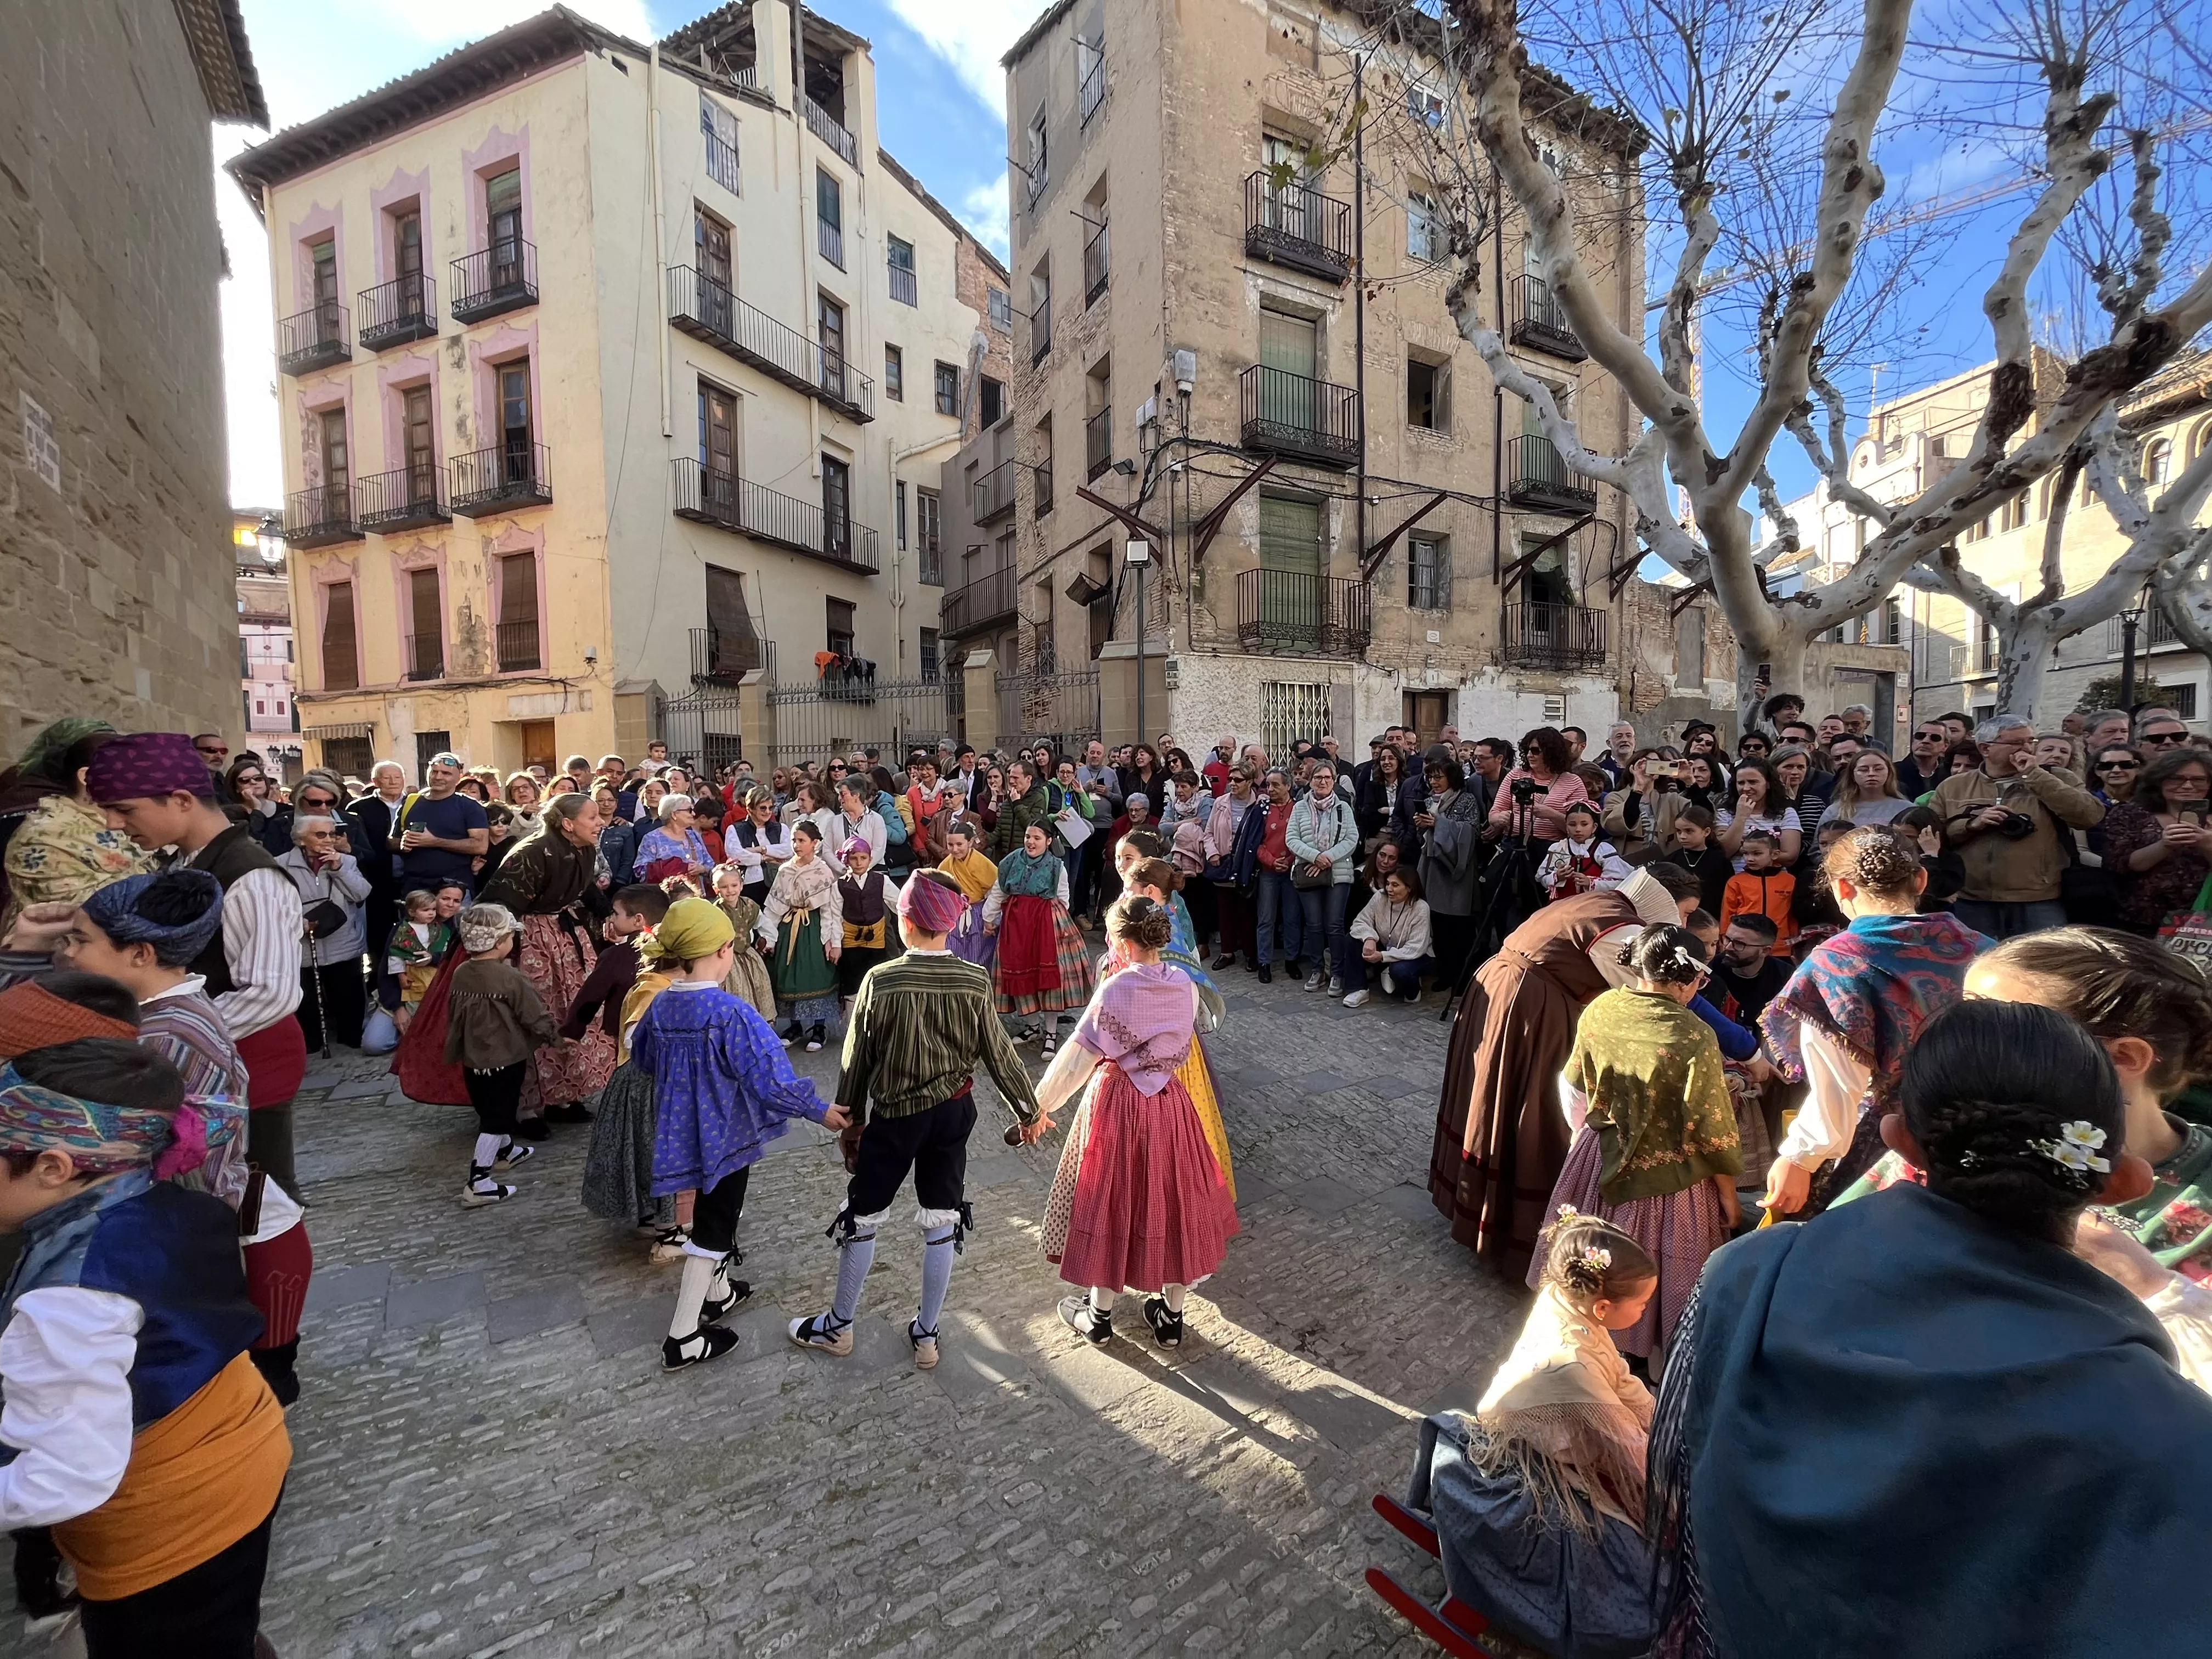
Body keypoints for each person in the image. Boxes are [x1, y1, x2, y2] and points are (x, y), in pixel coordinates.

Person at [1647, 998, 2212, 1658]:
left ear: (1901, 1140)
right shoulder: (2170, 1427)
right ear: (2124, 1182)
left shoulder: (1749, 1274)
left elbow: (1684, 1481)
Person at [0, 1054, 291, 1657]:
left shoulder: (68, 1300)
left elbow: (67, 1477)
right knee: (220, 1625)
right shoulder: (170, 1202)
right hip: (244, 1440)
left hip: (172, 1523)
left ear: (53, 1167)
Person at [788, 873, 1045, 1369]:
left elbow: (856, 1059)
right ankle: (927, 1334)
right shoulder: (974, 979)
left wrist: (851, 1120)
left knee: (864, 1215)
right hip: (953, 1115)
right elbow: (999, 1053)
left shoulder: (880, 980)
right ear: (949, 923)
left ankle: (839, 1326)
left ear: (904, 921)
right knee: (942, 1216)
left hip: (895, 1118)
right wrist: (1029, 1111)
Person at [1405, 1211, 1660, 1658]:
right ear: (1603, 1308)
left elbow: (1622, 1379)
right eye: (1641, 1304)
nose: (1645, 1312)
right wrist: (1671, 1502)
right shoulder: (1575, 1369)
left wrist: (1661, 1421)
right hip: (1527, 1468)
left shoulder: (1564, 1299)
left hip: (1529, 1436)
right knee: (1636, 1580)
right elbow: (1628, 1453)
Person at [1431, 864, 1706, 1278]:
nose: (1683, 924)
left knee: (1496, 1099)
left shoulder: (1603, 902)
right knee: (1536, 1112)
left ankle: (1482, 1210)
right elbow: (1660, 999)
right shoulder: (1620, 927)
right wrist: (1745, 1049)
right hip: (1530, 1008)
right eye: (1683, 913)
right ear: (1664, 901)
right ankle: (1515, 1230)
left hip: (1505, 990)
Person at [626, 899, 850, 1370]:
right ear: (724, 951)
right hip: (724, 1138)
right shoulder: (731, 1013)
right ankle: (683, 1336)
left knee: (712, 1213)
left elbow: (642, 1057)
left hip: (679, 1132)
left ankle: (719, 1292)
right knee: (713, 1226)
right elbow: (770, 1081)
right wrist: (818, 1110)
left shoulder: (661, 1004)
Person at [86, 734, 308, 1197]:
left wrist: (171, 1033)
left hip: (247, 1058)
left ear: (182, 800)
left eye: (124, 809)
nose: (113, 823)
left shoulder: (253, 876)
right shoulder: (187, 862)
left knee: (254, 1198)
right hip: (197, 1055)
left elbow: (271, 992)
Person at [1031, 896, 1240, 1348]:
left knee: (1110, 1197)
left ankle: (1098, 1316)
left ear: (1123, 942)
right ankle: (1170, 1318)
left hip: (1119, 1103)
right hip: (1170, 1104)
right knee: (1176, 1199)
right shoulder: (1185, 985)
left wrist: (1041, 1105)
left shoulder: (1117, 989)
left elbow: (1077, 1059)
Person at [1536, 926, 1741, 1365]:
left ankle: (1589, 1342)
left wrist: (1581, 1140)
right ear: (1687, 980)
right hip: (1671, 1181)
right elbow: (1712, 1129)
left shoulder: (1602, 1008)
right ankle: (1649, 1361)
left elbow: (1573, 1085)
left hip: (1598, 1151)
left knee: (1596, 1255)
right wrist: (1729, 1196)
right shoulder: (1694, 1035)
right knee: (1659, 1269)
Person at [1759, 828, 1989, 1217]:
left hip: (1891, 1145)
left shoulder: (1837, 963)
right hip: (1985, 1137)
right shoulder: (1982, 948)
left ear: (1842, 888)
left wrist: (1799, 1158)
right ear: (1921, 879)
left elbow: (1840, 1085)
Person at [469, 794, 614, 1128]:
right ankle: (527, 1108)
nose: (600, 823)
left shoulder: (585, 848)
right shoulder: (531, 853)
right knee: (535, 1014)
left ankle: (563, 1096)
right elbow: (498, 905)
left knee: (571, 1010)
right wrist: (501, 954)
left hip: (564, 936)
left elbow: (586, 888)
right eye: (592, 817)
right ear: (568, 824)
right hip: (529, 939)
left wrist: (608, 914)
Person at [1930, 713, 2104, 940]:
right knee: (1978, 960)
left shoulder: (2058, 778)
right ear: (1985, 748)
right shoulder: (1953, 786)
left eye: (2031, 741)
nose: (2027, 749)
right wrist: (1971, 825)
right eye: (2017, 743)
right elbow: (1932, 835)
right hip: (1972, 899)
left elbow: (2090, 816)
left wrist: (2035, 775)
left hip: (2039, 898)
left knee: (2040, 960)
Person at [441, 904, 553, 1206]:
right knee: (497, 1118)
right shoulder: (509, 977)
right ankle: (479, 1183)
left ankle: (507, 1152)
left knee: (490, 1106)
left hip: (473, 1058)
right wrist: (554, 1036)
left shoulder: (461, 972)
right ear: (501, 941)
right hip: (504, 1058)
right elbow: (534, 1014)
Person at [1, 724, 148, 933]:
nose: (143, 782)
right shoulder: (43, 836)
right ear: (86, 777)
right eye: (130, 773)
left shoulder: (128, 819)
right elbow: (90, 911)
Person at [984, 819, 1094, 1054]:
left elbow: (1064, 898)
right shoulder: (1011, 861)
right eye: (1028, 837)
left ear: (1049, 841)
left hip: (1046, 925)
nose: (1031, 842)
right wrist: (989, 918)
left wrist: (1058, 925)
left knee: (1048, 979)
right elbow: (999, 891)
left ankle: (1051, 1033)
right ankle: (1033, 1026)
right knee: (1019, 973)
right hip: (1016, 925)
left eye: (1037, 838)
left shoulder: (1056, 866)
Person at [276, 812, 371, 1050]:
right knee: (307, 1001)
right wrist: (296, 922)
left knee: (349, 996)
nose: (329, 840)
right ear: (301, 839)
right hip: (303, 945)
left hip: (343, 942)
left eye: (332, 834)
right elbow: (274, 905)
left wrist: (339, 869)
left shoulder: (346, 861)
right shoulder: (280, 865)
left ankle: (350, 1037)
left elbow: (361, 893)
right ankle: (312, 1042)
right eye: (320, 835)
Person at [2101, 746, 2212, 935]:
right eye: (2176, 778)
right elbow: (2121, 865)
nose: (2187, 786)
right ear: (2159, 781)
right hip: (2144, 921)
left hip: (2205, 921)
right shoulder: (2130, 814)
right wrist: (2164, 845)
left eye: (2198, 779)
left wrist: (2207, 844)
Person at [758, 819, 843, 1052]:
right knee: (788, 975)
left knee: (816, 975)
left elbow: (830, 910)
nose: (796, 845)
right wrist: (770, 938)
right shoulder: (785, 870)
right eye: (794, 840)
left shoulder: (822, 871)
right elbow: (774, 908)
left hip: (813, 928)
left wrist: (832, 941)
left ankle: (819, 1028)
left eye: (802, 841)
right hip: (789, 927)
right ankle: (794, 1026)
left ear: (815, 843)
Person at [1286, 760, 1359, 995]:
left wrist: (1326, 858)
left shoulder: (1343, 808)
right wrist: (1315, 857)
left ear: (1334, 780)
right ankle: (1317, 970)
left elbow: (1351, 840)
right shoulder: (1299, 807)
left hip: (1338, 874)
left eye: (1328, 778)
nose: (1323, 782)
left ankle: (1337, 973)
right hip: (1308, 872)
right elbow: (1292, 838)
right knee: (1314, 925)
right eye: (1318, 778)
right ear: (1310, 781)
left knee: (1335, 925)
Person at [1418, 753, 1486, 991]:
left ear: (1452, 778)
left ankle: (1463, 976)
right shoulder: (1429, 801)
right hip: (1435, 867)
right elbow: (1422, 836)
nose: (1434, 782)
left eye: (1439, 777)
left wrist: (1439, 824)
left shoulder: (1466, 800)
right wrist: (1423, 826)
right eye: (1431, 778)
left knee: (1460, 926)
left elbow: (1472, 832)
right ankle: (1445, 974)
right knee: (1438, 924)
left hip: (1459, 869)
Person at [396, 752, 490, 899]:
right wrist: (403, 843)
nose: (438, 777)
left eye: (446, 773)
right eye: (435, 772)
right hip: (415, 888)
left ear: (459, 777)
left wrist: (434, 841)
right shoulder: (411, 802)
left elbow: (480, 846)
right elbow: (391, 841)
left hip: (454, 888)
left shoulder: (470, 806)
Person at [1345, 866, 1434, 1008]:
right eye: (1387, 884)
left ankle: (1413, 990)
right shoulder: (1380, 897)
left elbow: (1416, 948)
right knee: (1352, 939)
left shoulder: (1421, 908)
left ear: (1409, 888)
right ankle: (1358, 989)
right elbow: (1361, 921)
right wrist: (1369, 938)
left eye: (1395, 885)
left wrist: (1382, 956)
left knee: (1400, 971)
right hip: (1387, 946)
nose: (1389, 889)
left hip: (1417, 955)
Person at [1488, 729, 1588, 844]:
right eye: (1527, 750)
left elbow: (1581, 827)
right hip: (1515, 844)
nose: (1529, 755)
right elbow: (1494, 813)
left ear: (1552, 752)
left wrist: (1552, 815)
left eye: (1535, 751)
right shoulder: (1516, 775)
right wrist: (1500, 818)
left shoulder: (1573, 782)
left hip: (1552, 847)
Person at [834, 838, 900, 1007]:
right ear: (846, 860)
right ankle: (851, 1019)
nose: (859, 863)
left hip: (876, 938)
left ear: (870, 859)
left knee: (876, 978)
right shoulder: (839, 885)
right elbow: (834, 916)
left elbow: (899, 903)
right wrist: (835, 944)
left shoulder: (881, 881)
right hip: (850, 939)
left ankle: (876, 1017)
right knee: (852, 984)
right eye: (854, 858)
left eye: (863, 858)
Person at [709, 865, 775, 1018]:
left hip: (748, 955)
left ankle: (757, 1023)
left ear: (741, 885)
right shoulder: (715, 911)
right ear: (716, 889)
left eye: (734, 885)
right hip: (725, 958)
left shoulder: (750, 906)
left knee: (758, 987)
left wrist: (767, 941)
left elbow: (764, 924)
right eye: (724, 887)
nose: (730, 890)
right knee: (735, 992)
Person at [934, 817, 999, 970]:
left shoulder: (982, 862)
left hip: (979, 914)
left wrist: (992, 917)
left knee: (979, 958)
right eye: (951, 845)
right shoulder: (945, 866)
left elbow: (997, 890)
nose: (955, 849)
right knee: (952, 955)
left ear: (970, 842)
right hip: (953, 915)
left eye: (959, 844)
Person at [1714, 756, 1802, 869]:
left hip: (1773, 877)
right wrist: (1741, 817)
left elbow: (1790, 857)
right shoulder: (1725, 812)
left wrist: (1747, 850)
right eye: (1741, 783)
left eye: (1753, 782)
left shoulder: (1786, 813)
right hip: (1734, 877)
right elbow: (1723, 853)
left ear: (1768, 784)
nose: (1746, 788)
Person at [1718, 830, 1796, 955]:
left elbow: (1793, 916)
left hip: (1781, 947)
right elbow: (1727, 914)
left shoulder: (1789, 881)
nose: (1750, 859)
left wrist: (1795, 940)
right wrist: (1725, 941)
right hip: (1743, 946)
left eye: (1757, 854)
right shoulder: (1736, 881)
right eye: (1746, 853)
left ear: (1774, 854)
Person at [1706, 913, 1790, 1028]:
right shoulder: (1709, 970)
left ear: (1765, 951)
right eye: (1727, 939)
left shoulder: (1785, 979)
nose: (1728, 947)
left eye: (1739, 944)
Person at [1539, 801, 1631, 904]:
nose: (1578, 829)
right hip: (1561, 906)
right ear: (1567, 827)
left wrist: (1590, 883)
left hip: (1594, 906)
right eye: (1572, 825)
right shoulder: (1559, 848)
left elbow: (1619, 882)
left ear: (1594, 827)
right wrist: (1557, 876)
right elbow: (1542, 877)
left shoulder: (1604, 850)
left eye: (1584, 824)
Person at [1809, 748, 1913, 836]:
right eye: (1863, 770)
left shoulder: (1906, 809)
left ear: (1889, 773)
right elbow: (1818, 847)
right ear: (1852, 775)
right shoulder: (1835, 811)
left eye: (1878, 769)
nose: (1871, 774)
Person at [386, 890, 450, 1031]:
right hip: (414, 975)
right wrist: (401, 974)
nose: (431, 913)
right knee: (415, 1009)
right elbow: (396, 953)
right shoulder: (404, 931)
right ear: (412, 912)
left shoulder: (438, 929)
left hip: (434, 975)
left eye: (433, 909)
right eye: (426, 910)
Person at [635, 794, 716, 887]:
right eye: (689, 810)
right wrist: (676, 868)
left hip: (696, 893)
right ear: (674, 814)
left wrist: (703, 869)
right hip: (665, 894)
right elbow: (640, 872)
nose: (694, 814)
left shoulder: (694, 835)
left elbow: (711, 865)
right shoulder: (652, 839)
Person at [1669, 805, 1730, 917]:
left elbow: (1726, 898)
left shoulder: (1720, 862)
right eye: (1679, 831)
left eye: (1689, 831)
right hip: (1677, 918)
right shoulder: (1671, 860)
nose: (1683, 836)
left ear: (1706, 832)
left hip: (1710, 919)